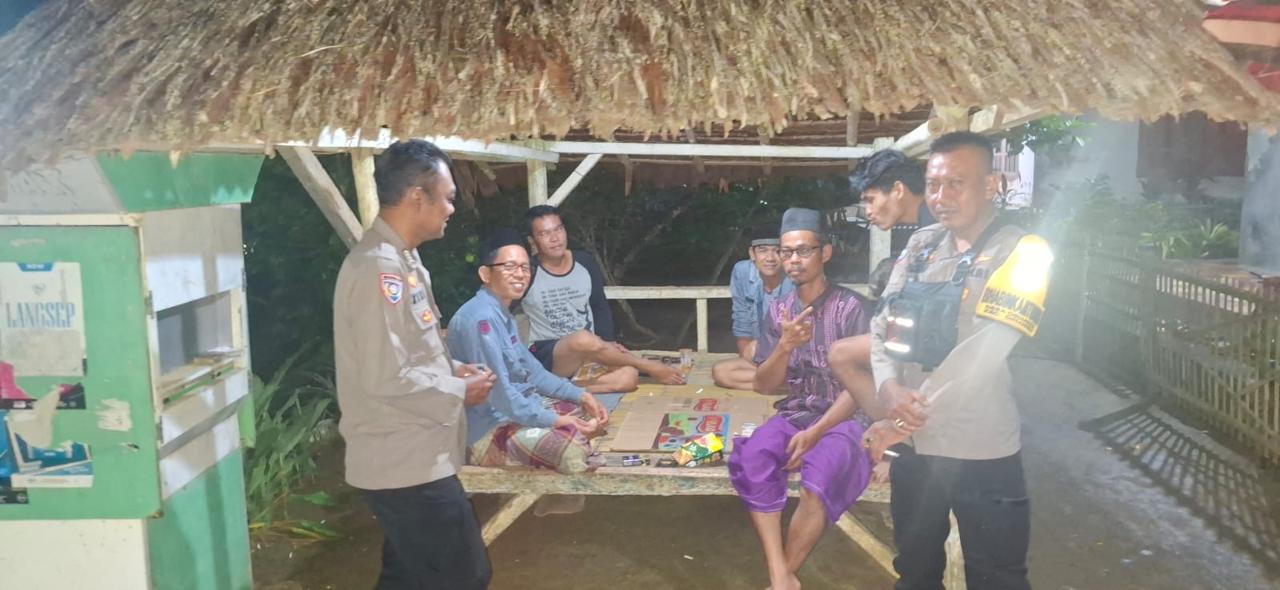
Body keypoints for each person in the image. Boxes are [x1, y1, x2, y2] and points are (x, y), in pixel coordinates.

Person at [863, 132, 1054, 590]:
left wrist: (898, 423)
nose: (941, 197)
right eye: (933, 185)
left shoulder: (1027, 253)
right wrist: (887, 385)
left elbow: (984, 353)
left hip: (981, 449)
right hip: (916, 450)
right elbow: (882, 324)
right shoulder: (921, 244)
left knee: (998, 577)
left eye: (956, 183)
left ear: (990, 184)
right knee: (915, 570)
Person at [333, 139, 496, 590]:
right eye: (447, 197)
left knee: (408, 578)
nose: (451, 209)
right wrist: (460, 391)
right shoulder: (377, 269)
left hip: (415, 455)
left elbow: (409, 354)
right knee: (465, 576)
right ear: (416, 197)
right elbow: (386, 375)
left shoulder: (404, 261)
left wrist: (455, 369)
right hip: (403, 463)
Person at [727, 208, 874, 590]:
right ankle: (780, 574)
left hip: (847, 417)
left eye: (804, 250)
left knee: (816, 480)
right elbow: (764, 385)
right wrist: (785, 346)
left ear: (825, 253)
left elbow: (861, 387)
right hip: (798, 410)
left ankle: (782, 579)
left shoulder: (853, 308)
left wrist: (817, 433)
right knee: (754, 456)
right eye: (787, 251)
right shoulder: (779, 311)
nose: (793, 259)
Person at [448, 228, 612, 474]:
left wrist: (582, 396)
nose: (520, 274)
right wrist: (557, 421)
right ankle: (557, 462)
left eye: (525, 268)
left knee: (586, 414)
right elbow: (500, 396)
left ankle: (562, 441)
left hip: (515, 412)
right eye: (509, 267)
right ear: (485, 274)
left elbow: (535, 373)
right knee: (571, 446)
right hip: (488, 429)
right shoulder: (480, 319)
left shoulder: (502, 314)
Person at [520, 204, 686, 390]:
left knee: (628, 378)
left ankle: (556, 387)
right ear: (532, 240)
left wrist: (608, 343)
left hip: (589, 351)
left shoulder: (584, 261)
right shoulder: (526, 272)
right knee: (581, 339)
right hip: (549, 354)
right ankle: (649, 366)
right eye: (545, 234)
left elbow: (599, 305)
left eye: (558, 229)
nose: (555, 238)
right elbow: (502, 309)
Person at [827, 148, 932, 436]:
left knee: (841, 354)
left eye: (871, 200)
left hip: (933, 335)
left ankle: (901, 428)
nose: (868, 212)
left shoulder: (934, 225)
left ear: (898, 190)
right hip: (918, 329)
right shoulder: (924, 223)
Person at [711, 223, 794, 390]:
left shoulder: (796, 276)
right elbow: (741, 318)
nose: (770, 258)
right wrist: (746, 359)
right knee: (721, 372)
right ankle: (786, 383)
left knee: (756, 350)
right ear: (752, 253)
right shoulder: (742, 271)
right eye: (763, 250)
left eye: (777, 251)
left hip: (792, 353)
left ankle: (785, 380)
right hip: (761, 355)